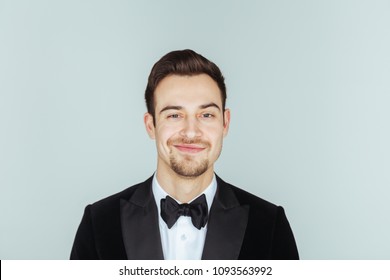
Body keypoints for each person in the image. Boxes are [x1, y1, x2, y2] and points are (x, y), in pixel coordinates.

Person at [70, 49, 299, 260]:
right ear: (151, 126)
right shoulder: (98, 223)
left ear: (225, 123)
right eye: (174, 115)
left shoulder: (270, 225)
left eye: (206, 115)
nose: (191, 132)